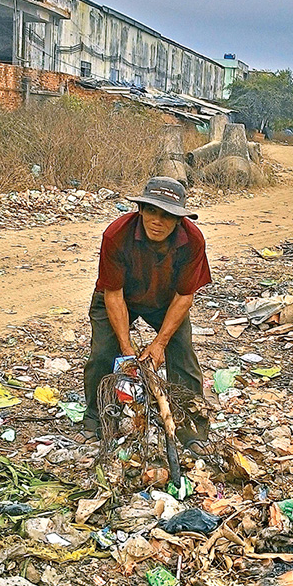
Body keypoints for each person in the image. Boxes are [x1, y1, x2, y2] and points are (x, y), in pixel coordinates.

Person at [83, 176, 211, 445]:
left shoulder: (193, 240)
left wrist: (160, 343)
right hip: (119, 297)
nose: (157, 221)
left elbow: (184, 296)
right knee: (103, 353)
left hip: (166, 301)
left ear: (179, 220)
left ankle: (191, 426)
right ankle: (96, 417)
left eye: (167, 215)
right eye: (151, 211)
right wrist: (127, 349)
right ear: (140, 210)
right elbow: (114, 295)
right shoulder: (117, 235)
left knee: (183, 357)